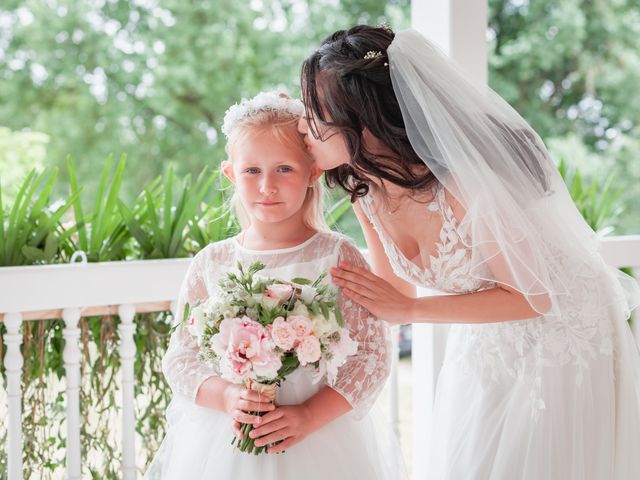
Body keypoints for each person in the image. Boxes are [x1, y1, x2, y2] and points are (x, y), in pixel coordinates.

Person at [298, 25, 640, 480]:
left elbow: (531, 297)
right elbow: (394, 293)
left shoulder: (464, 183)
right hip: (490, 336)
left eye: (315, 111)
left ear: (360, 115)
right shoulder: (367, 191)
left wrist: (411, 308)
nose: (304, 125)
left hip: (563, 329)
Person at [143, 90, 405, 480]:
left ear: (313, 173)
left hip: (317, 438)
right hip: (226, 443)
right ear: (231, 174)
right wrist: (229, 396)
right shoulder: (211, 263)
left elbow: (371, 355)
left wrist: (308, 416)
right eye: (252, 171)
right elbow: (181, 359)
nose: (267, 186)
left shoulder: (337, 256)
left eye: (284, 169)